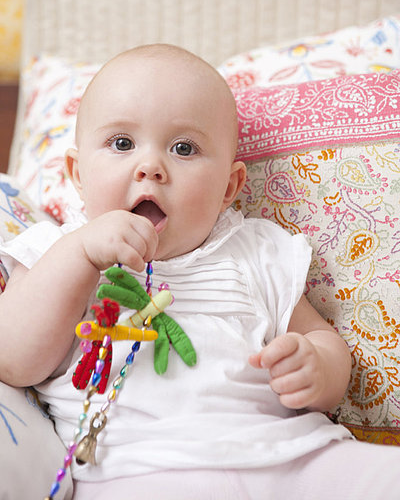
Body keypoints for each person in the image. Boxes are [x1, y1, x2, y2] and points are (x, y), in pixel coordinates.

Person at [0, 44, 398, 500]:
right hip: (141, 473)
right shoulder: (57, 250)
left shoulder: (256, 250)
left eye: (183, 148)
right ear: (77, 174)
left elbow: (323, 341)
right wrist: (81, 255)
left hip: (292, 459)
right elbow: (11, 357)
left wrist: (318, 367)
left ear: (229, 188)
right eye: (122, 144)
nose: (150, 168)